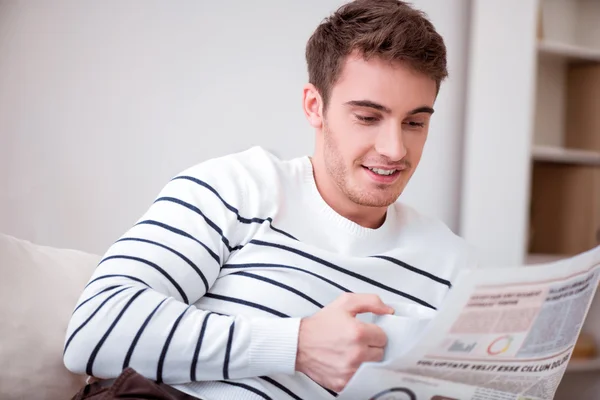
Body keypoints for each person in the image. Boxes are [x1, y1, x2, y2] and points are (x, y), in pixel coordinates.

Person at [64, 0, 477, 399]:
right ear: (315, 106)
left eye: (415, 122)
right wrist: (297, 345)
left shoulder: (451, 265)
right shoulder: (239, 188)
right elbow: (94, 329)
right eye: (368, 117)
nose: (395, 149)